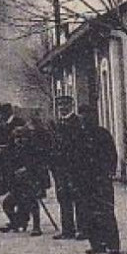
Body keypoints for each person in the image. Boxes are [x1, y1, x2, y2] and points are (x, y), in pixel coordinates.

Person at [76, 105, 121, 254]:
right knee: (87, 212)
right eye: (82, 116)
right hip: (84, 179)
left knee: (106, 211)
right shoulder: (78, 135)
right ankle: (96, 243)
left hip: (101, 178)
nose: (85, 119)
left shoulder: (103, 134)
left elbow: (112, 154)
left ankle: (112, 244)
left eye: (87, 116)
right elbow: (73, 158)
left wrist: (109, 171)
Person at [0, 120, 50, 236]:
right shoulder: (13, 151)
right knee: (7, 203)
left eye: (21, 137)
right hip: (18, 186)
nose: (18, 140)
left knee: (32, 202)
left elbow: (39, 166)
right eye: (16, 138)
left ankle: (36, 227)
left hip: (32, 184)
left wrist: (27, 169)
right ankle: (16, 221)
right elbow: (9, 168)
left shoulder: (32, 150)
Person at [49, 95, 86, 241]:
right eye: (59, 106)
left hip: (74, 167)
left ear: (72, 105)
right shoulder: (58, 124)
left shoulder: (77, 123)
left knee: (78, 198)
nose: (62, 108)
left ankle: (83, 229)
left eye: (65, 105)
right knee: (63, 198)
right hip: (60, 168)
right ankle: (67, 229)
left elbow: (78, 146)